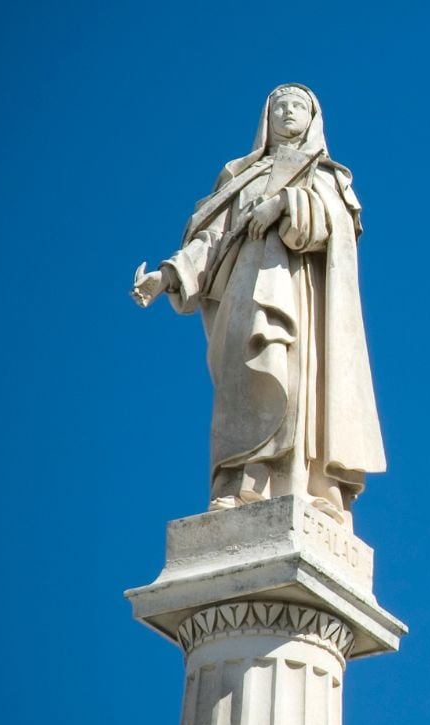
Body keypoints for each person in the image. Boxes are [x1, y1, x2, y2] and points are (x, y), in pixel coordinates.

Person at [131, 83, 385, 525]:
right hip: (244, 296)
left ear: (313, 118)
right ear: (265, 120)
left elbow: (332, 228)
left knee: (298, 385)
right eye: (279, 106)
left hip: (299, 296)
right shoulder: (241, 177)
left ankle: (302, 486)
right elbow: (213, 240)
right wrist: (167, 275)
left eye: (298, 106)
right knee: (246, 383)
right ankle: (241, 484)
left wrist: (285, 204)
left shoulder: (326, 176)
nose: (288, 113)